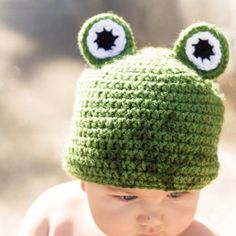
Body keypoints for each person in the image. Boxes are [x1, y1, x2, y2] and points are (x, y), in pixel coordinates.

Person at [18, 12, 229, 236]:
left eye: (176, 194)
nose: (152, 219)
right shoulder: (57, 217)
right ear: (84, 180)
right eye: (127, 196)